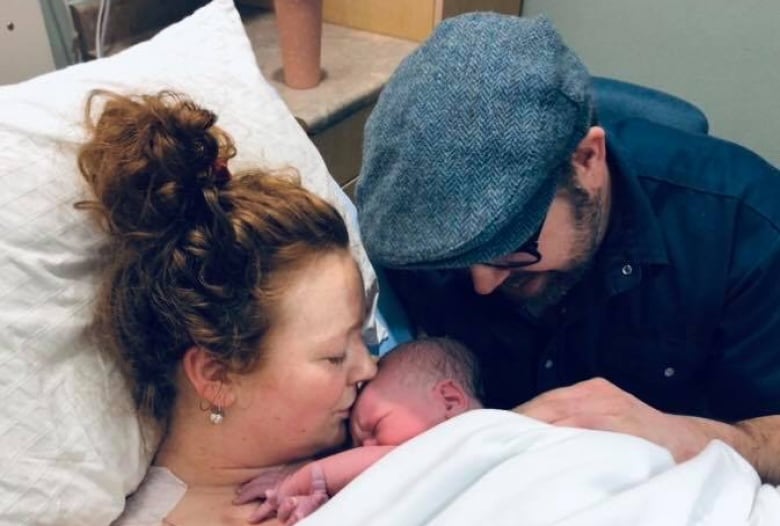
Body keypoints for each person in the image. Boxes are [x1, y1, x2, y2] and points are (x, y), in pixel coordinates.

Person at [354, 13, 780, 483]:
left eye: (514, 243)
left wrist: (691, 438)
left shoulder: (744, 227)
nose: (483, 283)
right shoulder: (413, 226)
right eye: (456, 261)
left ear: (588, 160)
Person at [76, 90, 377, 525]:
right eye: (335, 356)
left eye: (361, 335)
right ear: (217, 376)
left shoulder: (380, 422)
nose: (368, 368)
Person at [234, 337, 484, 524]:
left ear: (450, 400)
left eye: (375, 427)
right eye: (355, 446)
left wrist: (305, 478)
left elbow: (396, 462)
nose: (365, 448)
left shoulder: (476, 436)